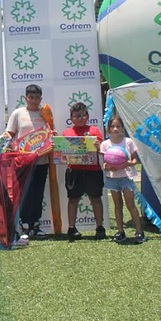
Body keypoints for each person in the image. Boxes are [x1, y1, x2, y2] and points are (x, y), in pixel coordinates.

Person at [4, 84, 49, 241]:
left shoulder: (45, 113)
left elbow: (49, 133)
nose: (34, 100)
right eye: (31, 97)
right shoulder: (18, 113)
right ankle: (23, 225)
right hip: (22, 162)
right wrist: (6, 143)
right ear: (26, 98)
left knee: (38, 194)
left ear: (40, 99)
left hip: (41, 161)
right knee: (24, 194)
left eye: (37, 97)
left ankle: (35, 225)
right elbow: (9, 133)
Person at [61, 102, 106, 241]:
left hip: (93, 170)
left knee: (96, 199)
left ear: (87, 116)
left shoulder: (95, 131)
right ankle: (72, 228)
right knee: (73, 199)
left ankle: (100, 228)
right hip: (74, 171)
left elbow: (102, 151)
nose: (80, 118)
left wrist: (99, 147)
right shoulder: (66, 133)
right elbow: (62, 155)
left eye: (82, 115)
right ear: (71, 118)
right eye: (76, 116)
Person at [101, 116, 144, 244]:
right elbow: (105, 163)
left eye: (118, 126)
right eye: (112, 126)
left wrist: (128, 164)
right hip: (112, 178)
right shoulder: (105, 144)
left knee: (130, 205)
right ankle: (120, 231)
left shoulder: (128, 142)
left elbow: (135, 160)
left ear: (122, 128)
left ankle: (139, 231)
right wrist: (108, 167)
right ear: (108, 129)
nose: (115, 129)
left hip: (126, 177)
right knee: (117, 206)